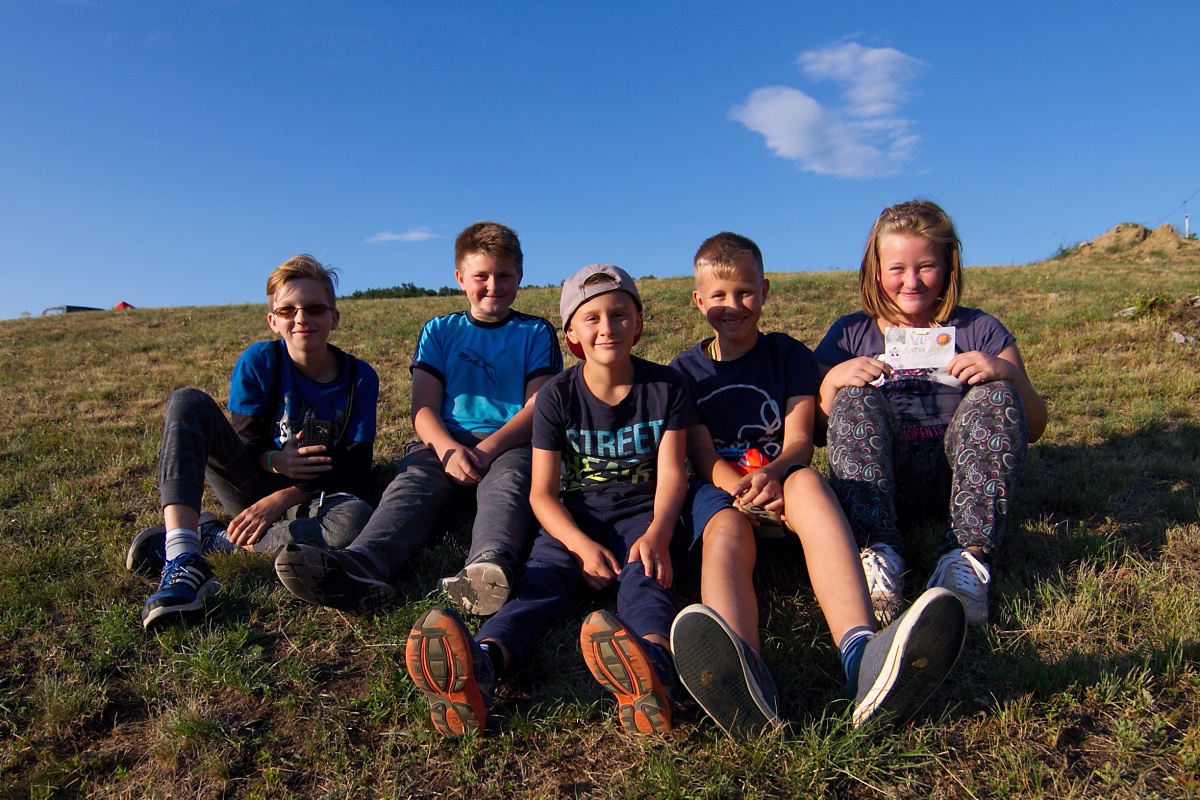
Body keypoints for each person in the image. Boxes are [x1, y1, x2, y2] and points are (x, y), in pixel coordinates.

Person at [669, 231, 968, 734]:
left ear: (765, 291)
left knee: (808, 483)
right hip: (721, 490)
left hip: (783, 482)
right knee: (725, 528)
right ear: (699, 301)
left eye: (745, 292)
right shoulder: (684, 373)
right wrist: (739, 490)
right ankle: (743, 672)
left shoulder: (788, 356)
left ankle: (862, 656)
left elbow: (800, 441)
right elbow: (701, 456)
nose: (733, 305)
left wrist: (773, 474)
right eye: (718, 295)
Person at [404, 264, 689, 737]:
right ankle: (483, 665)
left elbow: (674, 474)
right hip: (572, 518)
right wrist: (579, 545)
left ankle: (655, 668)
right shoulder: (557, 395)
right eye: (591, 318)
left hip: (642, 516)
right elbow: (541, 493)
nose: (607, 327)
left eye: (620, 314)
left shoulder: (667, 387)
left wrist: (659, 534)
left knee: (646, 581)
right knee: (538, 585)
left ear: (638, 323)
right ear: (571, 334)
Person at [274, 222, 562, 616]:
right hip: (443, 443)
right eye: (481, 276)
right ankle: (362, 562)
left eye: (504, 275)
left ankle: (489, 567)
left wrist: (487, 450)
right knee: (411, 486)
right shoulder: (439, 331)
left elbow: (536, 408)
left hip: (509, 443)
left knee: (508, 485)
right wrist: (447, 450)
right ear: (460, 278)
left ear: (520, 276)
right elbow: (423, 408)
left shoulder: (535, 331)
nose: (492, 286)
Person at [815, 200, 1047, 626]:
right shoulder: (849, 333)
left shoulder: (979, 328)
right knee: (851, 396)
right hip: (883, 483)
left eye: (926, 266)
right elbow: (815, 428)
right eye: (897, 268)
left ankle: (966, 559)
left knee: (998, 391)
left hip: (963, 483)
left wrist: (1008, 373)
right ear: (875, 270)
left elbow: (1034, 426)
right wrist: (831, 382)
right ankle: (876, 553)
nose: (912, 281)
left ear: (948, 266)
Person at [128, 255, 379, 630]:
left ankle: (215, 540)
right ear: (273, 320)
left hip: (317, 498)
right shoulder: (260, 361)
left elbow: (356, 465)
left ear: (334, 318)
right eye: (288, 309)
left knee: (355, 521)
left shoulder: (359, 377)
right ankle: (182, 555)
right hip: (251, 485)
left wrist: (284, 496)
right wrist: (277, 461)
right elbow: (246, 440)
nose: (301, 318)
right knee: (188, 401)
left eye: (314, 308)